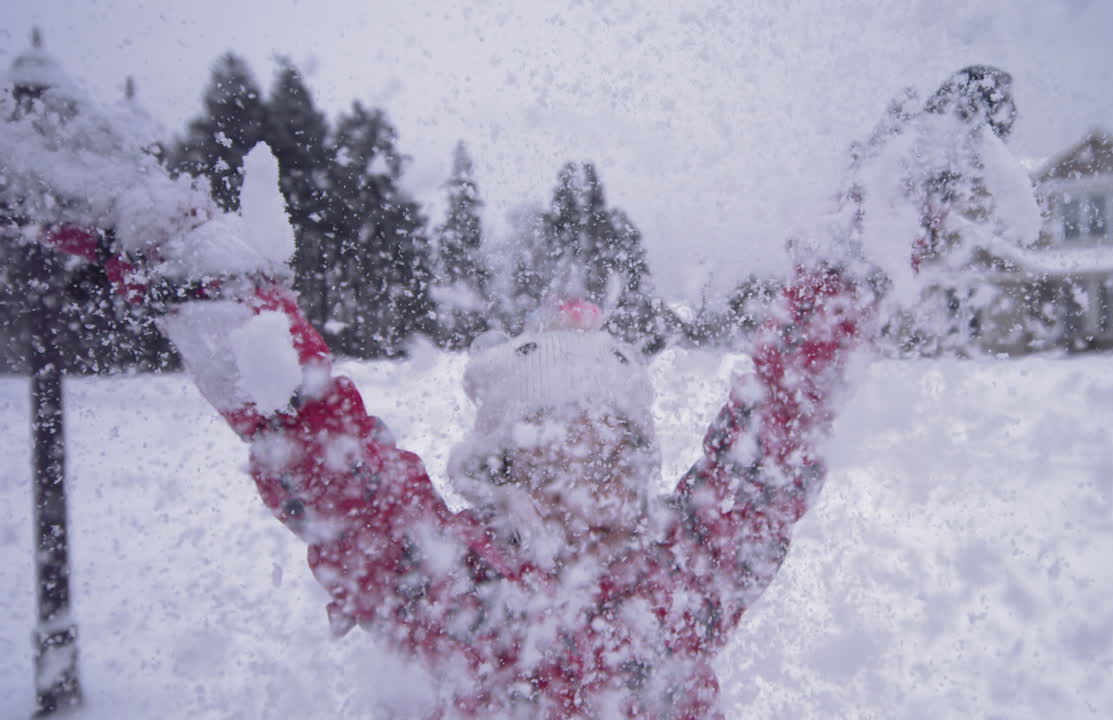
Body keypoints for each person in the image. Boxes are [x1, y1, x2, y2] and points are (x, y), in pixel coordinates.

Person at [32, 64, 1021, 719]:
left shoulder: (689, 575)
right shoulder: (439, 583)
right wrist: (167, 237)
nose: (594, 467)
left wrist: (873, 231)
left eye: (616, 447)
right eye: (557, 441)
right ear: (497, 468)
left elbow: (779, 423)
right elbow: (309, 431)